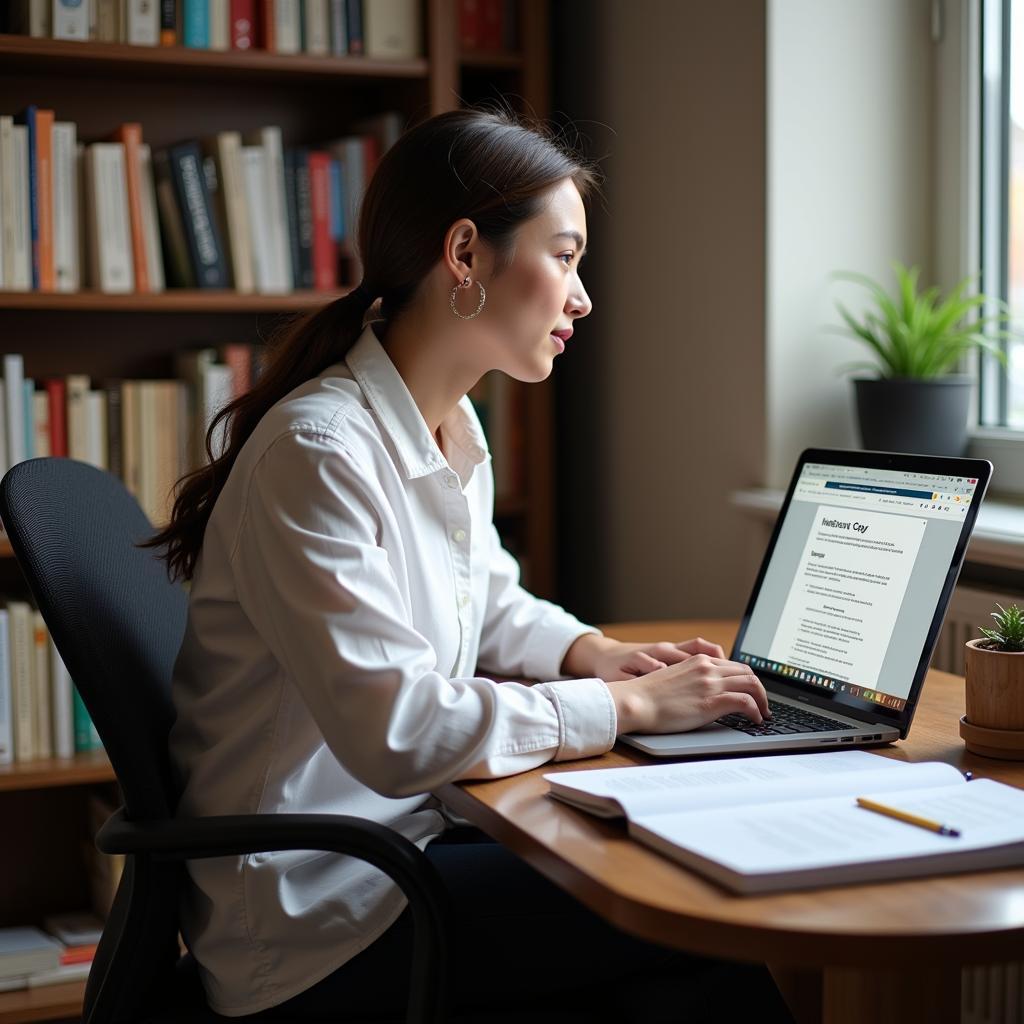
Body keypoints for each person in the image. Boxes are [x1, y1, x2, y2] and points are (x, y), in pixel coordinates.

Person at [151, 107, 792, 1022]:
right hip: (317, 915)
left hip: (398, 849)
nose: (583, 297)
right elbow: (401, 729)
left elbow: (484, 598)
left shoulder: (444, 424)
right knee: (700, 921)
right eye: (564, 256)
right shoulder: (321, 451)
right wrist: (626, 707)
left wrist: (593, 654)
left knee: (694, 937)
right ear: (464, 254)